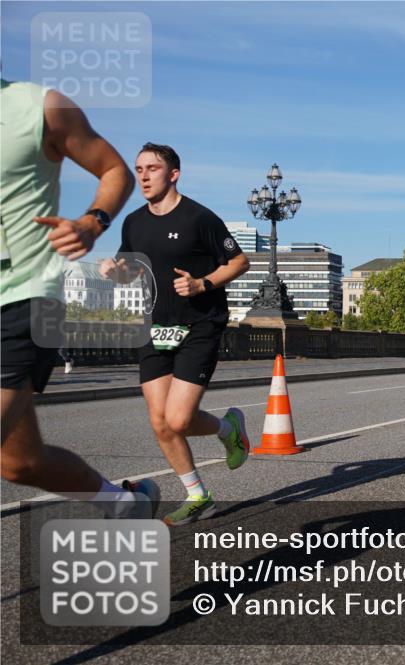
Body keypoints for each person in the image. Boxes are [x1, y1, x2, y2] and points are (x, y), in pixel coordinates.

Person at [0, 79, 159, 516]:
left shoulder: (40, 107)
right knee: (21, 463)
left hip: (25, 297)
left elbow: (115, 170)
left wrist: (92, 222)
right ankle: (123, 503)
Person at [100, 143, 250, 526]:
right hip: (154, 326)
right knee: (159, 420)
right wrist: (114, 270)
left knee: (179, 419)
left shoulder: (200, 217)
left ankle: (227, 428)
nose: (144, 176)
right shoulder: (133, 222)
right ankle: (198, 495)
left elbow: (239, 261)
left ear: (173, 174)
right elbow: (133, 271)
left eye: (152, 168)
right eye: (138, 169)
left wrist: (203, 283)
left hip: (199, 325)